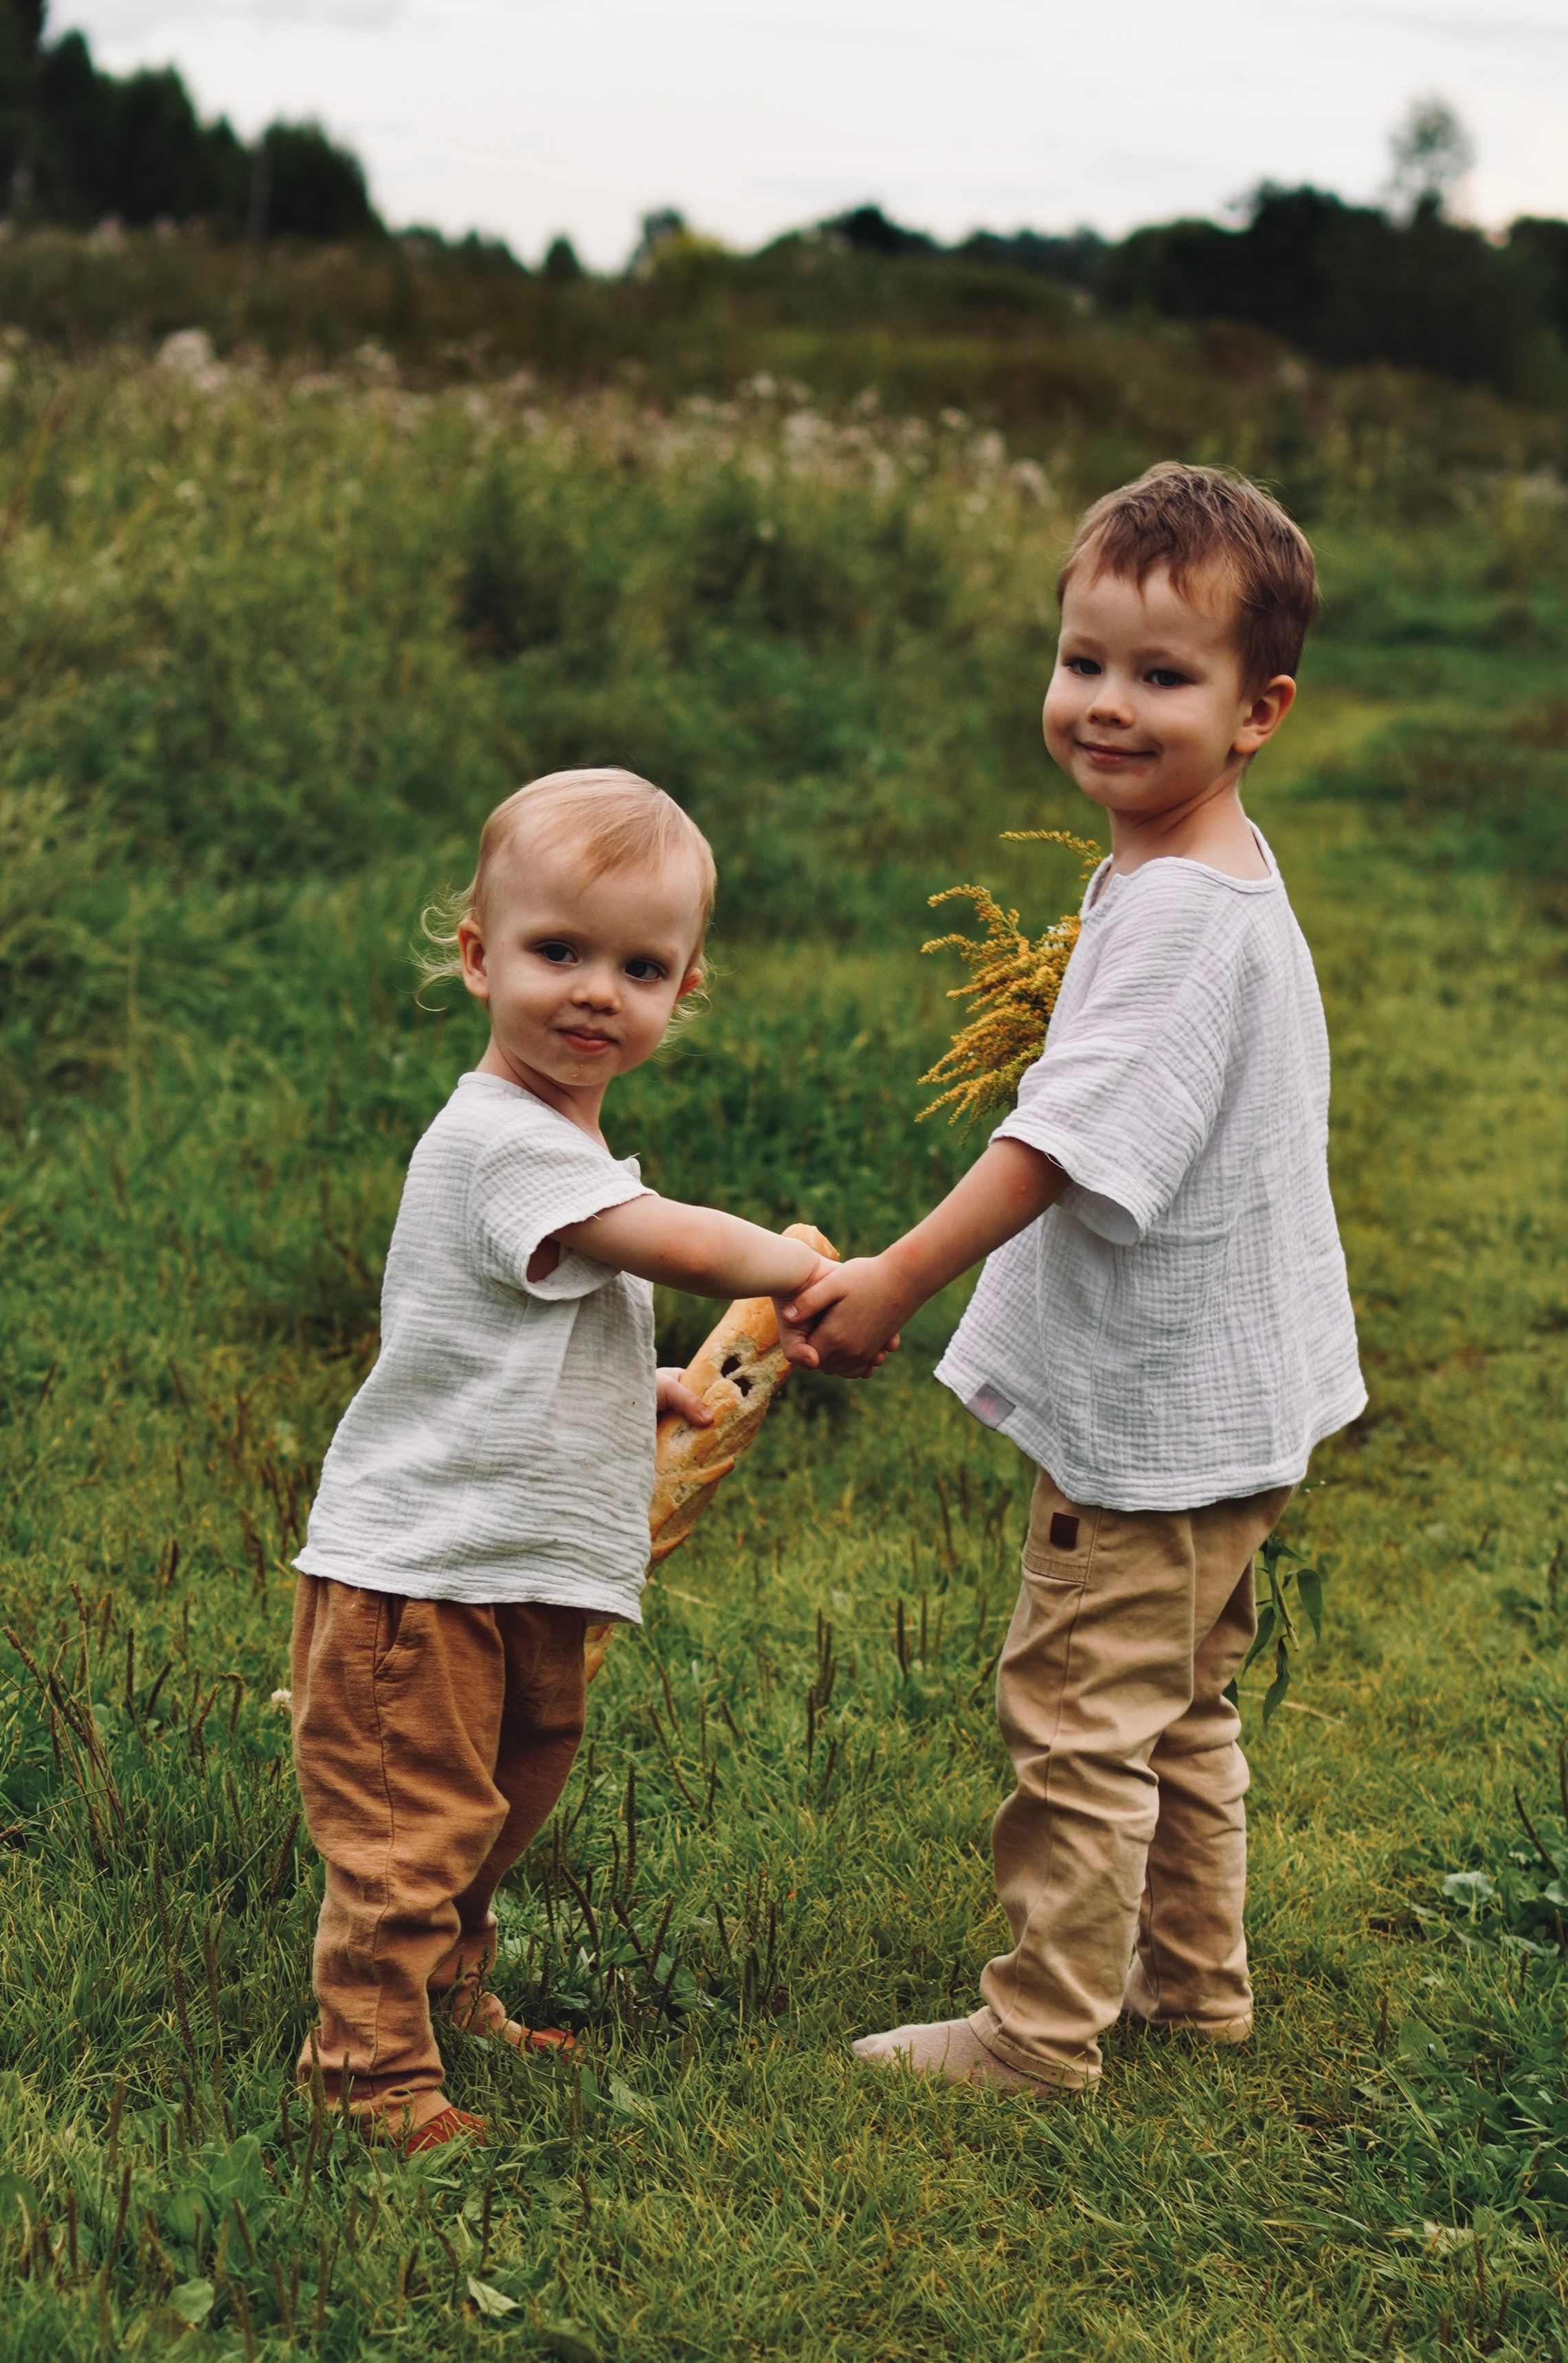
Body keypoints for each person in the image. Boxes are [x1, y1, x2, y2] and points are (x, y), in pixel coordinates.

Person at [781, 464, 1366, 2093]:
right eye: (1084, 660)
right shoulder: (1197, 870)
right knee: (1181, 1712)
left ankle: (1039, 2034)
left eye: (1163, 677)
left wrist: (899, 1276)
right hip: (1230, 1403)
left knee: (1079, 1719)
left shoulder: (1183, 911)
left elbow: (1064, 1139)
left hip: (1154, 1420)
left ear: (1261, 710)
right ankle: (1192, 1988)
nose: (1108, 705)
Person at [289, 768, 840, 2154]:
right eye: (558, 952)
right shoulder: (500, 1139)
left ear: (683, 988)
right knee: (414, 1830)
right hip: (421, 1574)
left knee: (496, 1804)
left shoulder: (561, 1145)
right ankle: (367, 2077)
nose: (597, 990)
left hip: (515, 1559)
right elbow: (663, 1239)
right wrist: (805, 1268)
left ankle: (449, 1990)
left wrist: (634, 1376)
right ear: (480, 955)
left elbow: (536, 1312)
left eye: (639, 965)